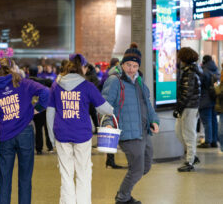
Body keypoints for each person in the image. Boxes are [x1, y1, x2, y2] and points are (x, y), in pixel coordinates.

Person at [46, 54, 114, 204]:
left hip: (61, 134)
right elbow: (104, 108)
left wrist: (51, 138)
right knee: (83, 173)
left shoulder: (56, 85)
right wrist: (112, 110)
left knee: (66, 174)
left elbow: (50, 112)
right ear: (82, 67)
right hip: (82, 134)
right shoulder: (87, 86)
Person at [102, 43, 160, 204]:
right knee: (137, 169)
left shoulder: (139, 82)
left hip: (143, 131)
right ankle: (122, 198)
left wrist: (154, 120)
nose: (131, 69)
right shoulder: (115, 81)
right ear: (122, 64)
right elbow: (105, 104)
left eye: (135, 66)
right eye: (128, 65)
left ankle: (124, 195)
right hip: (126, 131)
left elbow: (147, 104)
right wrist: (108, 123)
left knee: (146, 166)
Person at [0, 57, 49, 204]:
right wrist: (35, 110)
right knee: (25, 178)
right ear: (13, 68)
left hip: (5, 135)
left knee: (4, 178)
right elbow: (46, 93)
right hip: (25, 132)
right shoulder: (24, 83)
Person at [174, 47, 201, 172]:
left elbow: (186, 93)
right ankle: (192, 156)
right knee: (179, 133)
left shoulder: (189, 72)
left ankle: (190, 161)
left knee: (188, 134)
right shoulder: (189, 71)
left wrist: (178, 108)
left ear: (184, 58)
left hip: (189, 107)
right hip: (188, 106)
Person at [28, 65, 53, 155]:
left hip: (33, 107)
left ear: (28, 71)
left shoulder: (26, 81)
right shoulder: (42, 81)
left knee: (38, 129)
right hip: (43, 106)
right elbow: (50, 84)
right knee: (47, 128)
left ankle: (39, 148)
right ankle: (50, 146)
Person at [197, 55, 220, 148]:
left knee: (207, 121)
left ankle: (207, 141)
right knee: (214, 120)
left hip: (204, 99)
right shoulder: (216, 70)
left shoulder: (203, 71)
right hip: (214, 99)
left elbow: (199, 85)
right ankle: (214, 141)